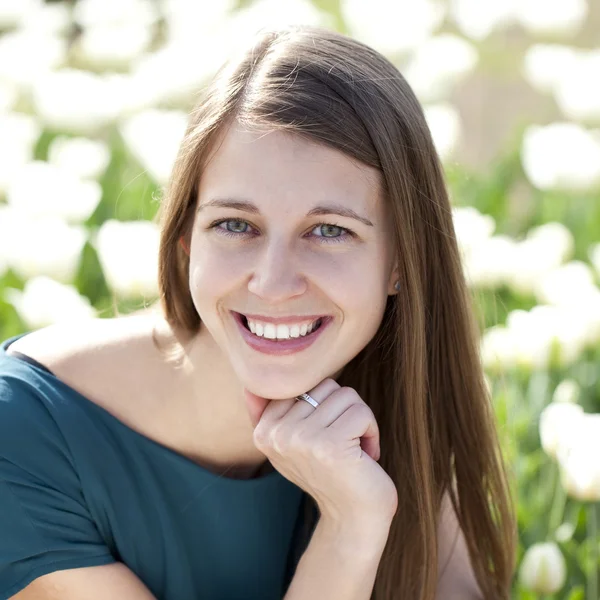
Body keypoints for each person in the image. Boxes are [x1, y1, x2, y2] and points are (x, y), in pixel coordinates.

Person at [0, 24, 517, 600]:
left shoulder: (399, 405)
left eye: (328, 230)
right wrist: (348, 530)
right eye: (236, 225)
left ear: (401, 262)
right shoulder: (25, 433)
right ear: (186, 240)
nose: (273, 283)